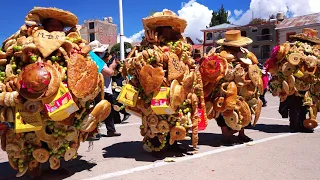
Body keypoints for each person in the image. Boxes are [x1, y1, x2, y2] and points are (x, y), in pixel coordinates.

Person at [89, 40, 121, 138]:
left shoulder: (90, 59)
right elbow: (109, 72)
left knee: (104, 111)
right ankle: (95, 132)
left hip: (95, 89)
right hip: (103, 90)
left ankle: (109, 130)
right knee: (101, 111)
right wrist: (113, 65)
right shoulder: (97, 60)